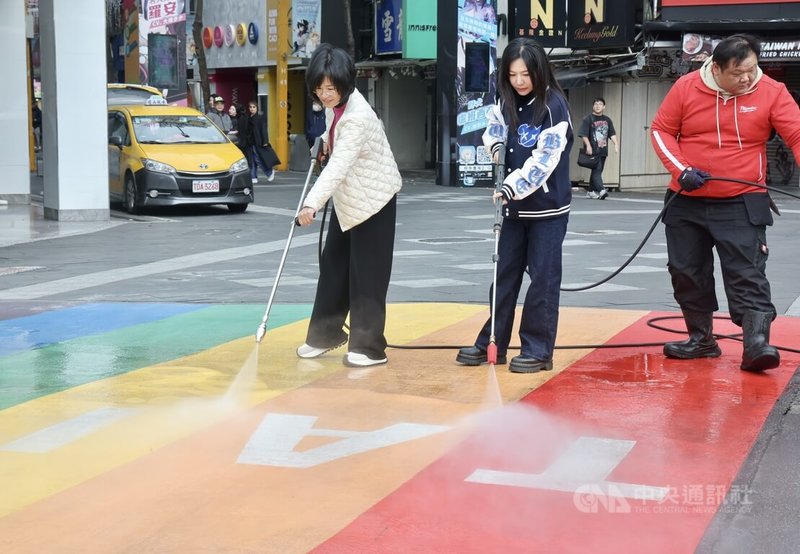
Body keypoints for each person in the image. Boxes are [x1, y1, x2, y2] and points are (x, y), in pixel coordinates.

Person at [650, 34, 800, 372]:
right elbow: (660, 130)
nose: (747, 78)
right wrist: (682, 169)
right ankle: (701, 340)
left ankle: (756, 344)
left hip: (742, 199)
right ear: (715, 68)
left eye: (752, 69)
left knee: (747, 272)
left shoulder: (772, 92)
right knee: (686, 271)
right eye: (738, 73)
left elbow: (797, 134)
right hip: (686, 198)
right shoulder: (687, 87)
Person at [456, 37, 573, 373]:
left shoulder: (553, 106)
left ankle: (537, 350)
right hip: (513, 210)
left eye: (525, 74)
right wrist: (494, 148)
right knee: (503, 275)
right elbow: (494, 128)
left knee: (542, 281)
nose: (519, 81)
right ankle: (492, 341)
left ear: (539, 71)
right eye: (512, 74)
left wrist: (510, 186)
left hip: (547, 209)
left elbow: (544, 161)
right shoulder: (504, 98)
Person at [295, 44, 402, 368]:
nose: (325, 95)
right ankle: (324, 334)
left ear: (346, 84)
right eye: (319, 88)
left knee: (367, 274)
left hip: (375, 200)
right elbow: (335, 147)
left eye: (331, 88)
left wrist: (311, 204)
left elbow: (339, 166)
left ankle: (368, 348)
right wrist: (327, 142)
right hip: (349, 201)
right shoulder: (334, 107)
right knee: (334, 266)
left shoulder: (358, 117)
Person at [578, 97, 618, 199]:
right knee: (597, 169)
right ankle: (601, 190)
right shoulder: (588, 119)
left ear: (604, 107)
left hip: (603, 150)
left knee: (597, 171)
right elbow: (583, 134)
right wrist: (588, 146)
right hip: (593, 150)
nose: (598, 106)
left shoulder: (607, 120)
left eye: (600, 104)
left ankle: (591, 191)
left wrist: (616, 144)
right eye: (596, 104)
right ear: (593, 106)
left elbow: (612, 133)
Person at [244, 100, 276, 184]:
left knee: (258, 159)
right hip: (250, 142)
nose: (252, 109)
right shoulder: (249, 117)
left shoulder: (260, 117)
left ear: (257, 108)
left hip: (258, 141)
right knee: (252, 160)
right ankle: (253, 176)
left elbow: (264, 129)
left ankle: (269, 172)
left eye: (253, 107)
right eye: (250, 107)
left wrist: (265, 141)